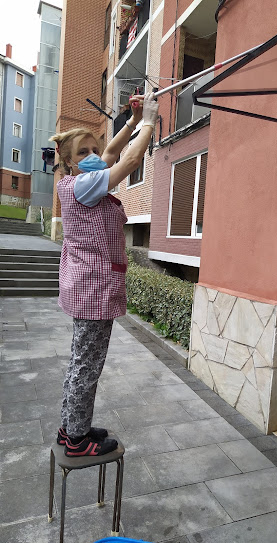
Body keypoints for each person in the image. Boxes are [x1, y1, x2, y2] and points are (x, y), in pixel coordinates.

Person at [50, 92, 159, 457]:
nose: (93, 155)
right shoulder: (84, 184)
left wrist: (132, 121)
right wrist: (149, 122)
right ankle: (78, 441)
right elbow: (127, 162)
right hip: (93, 289)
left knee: (80, 361)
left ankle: (71, 428)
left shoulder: (79, 180)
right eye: (83, 152)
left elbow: (111, 152)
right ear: (68, 161)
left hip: (85, 286)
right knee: (87, 365)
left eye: (93, 149)